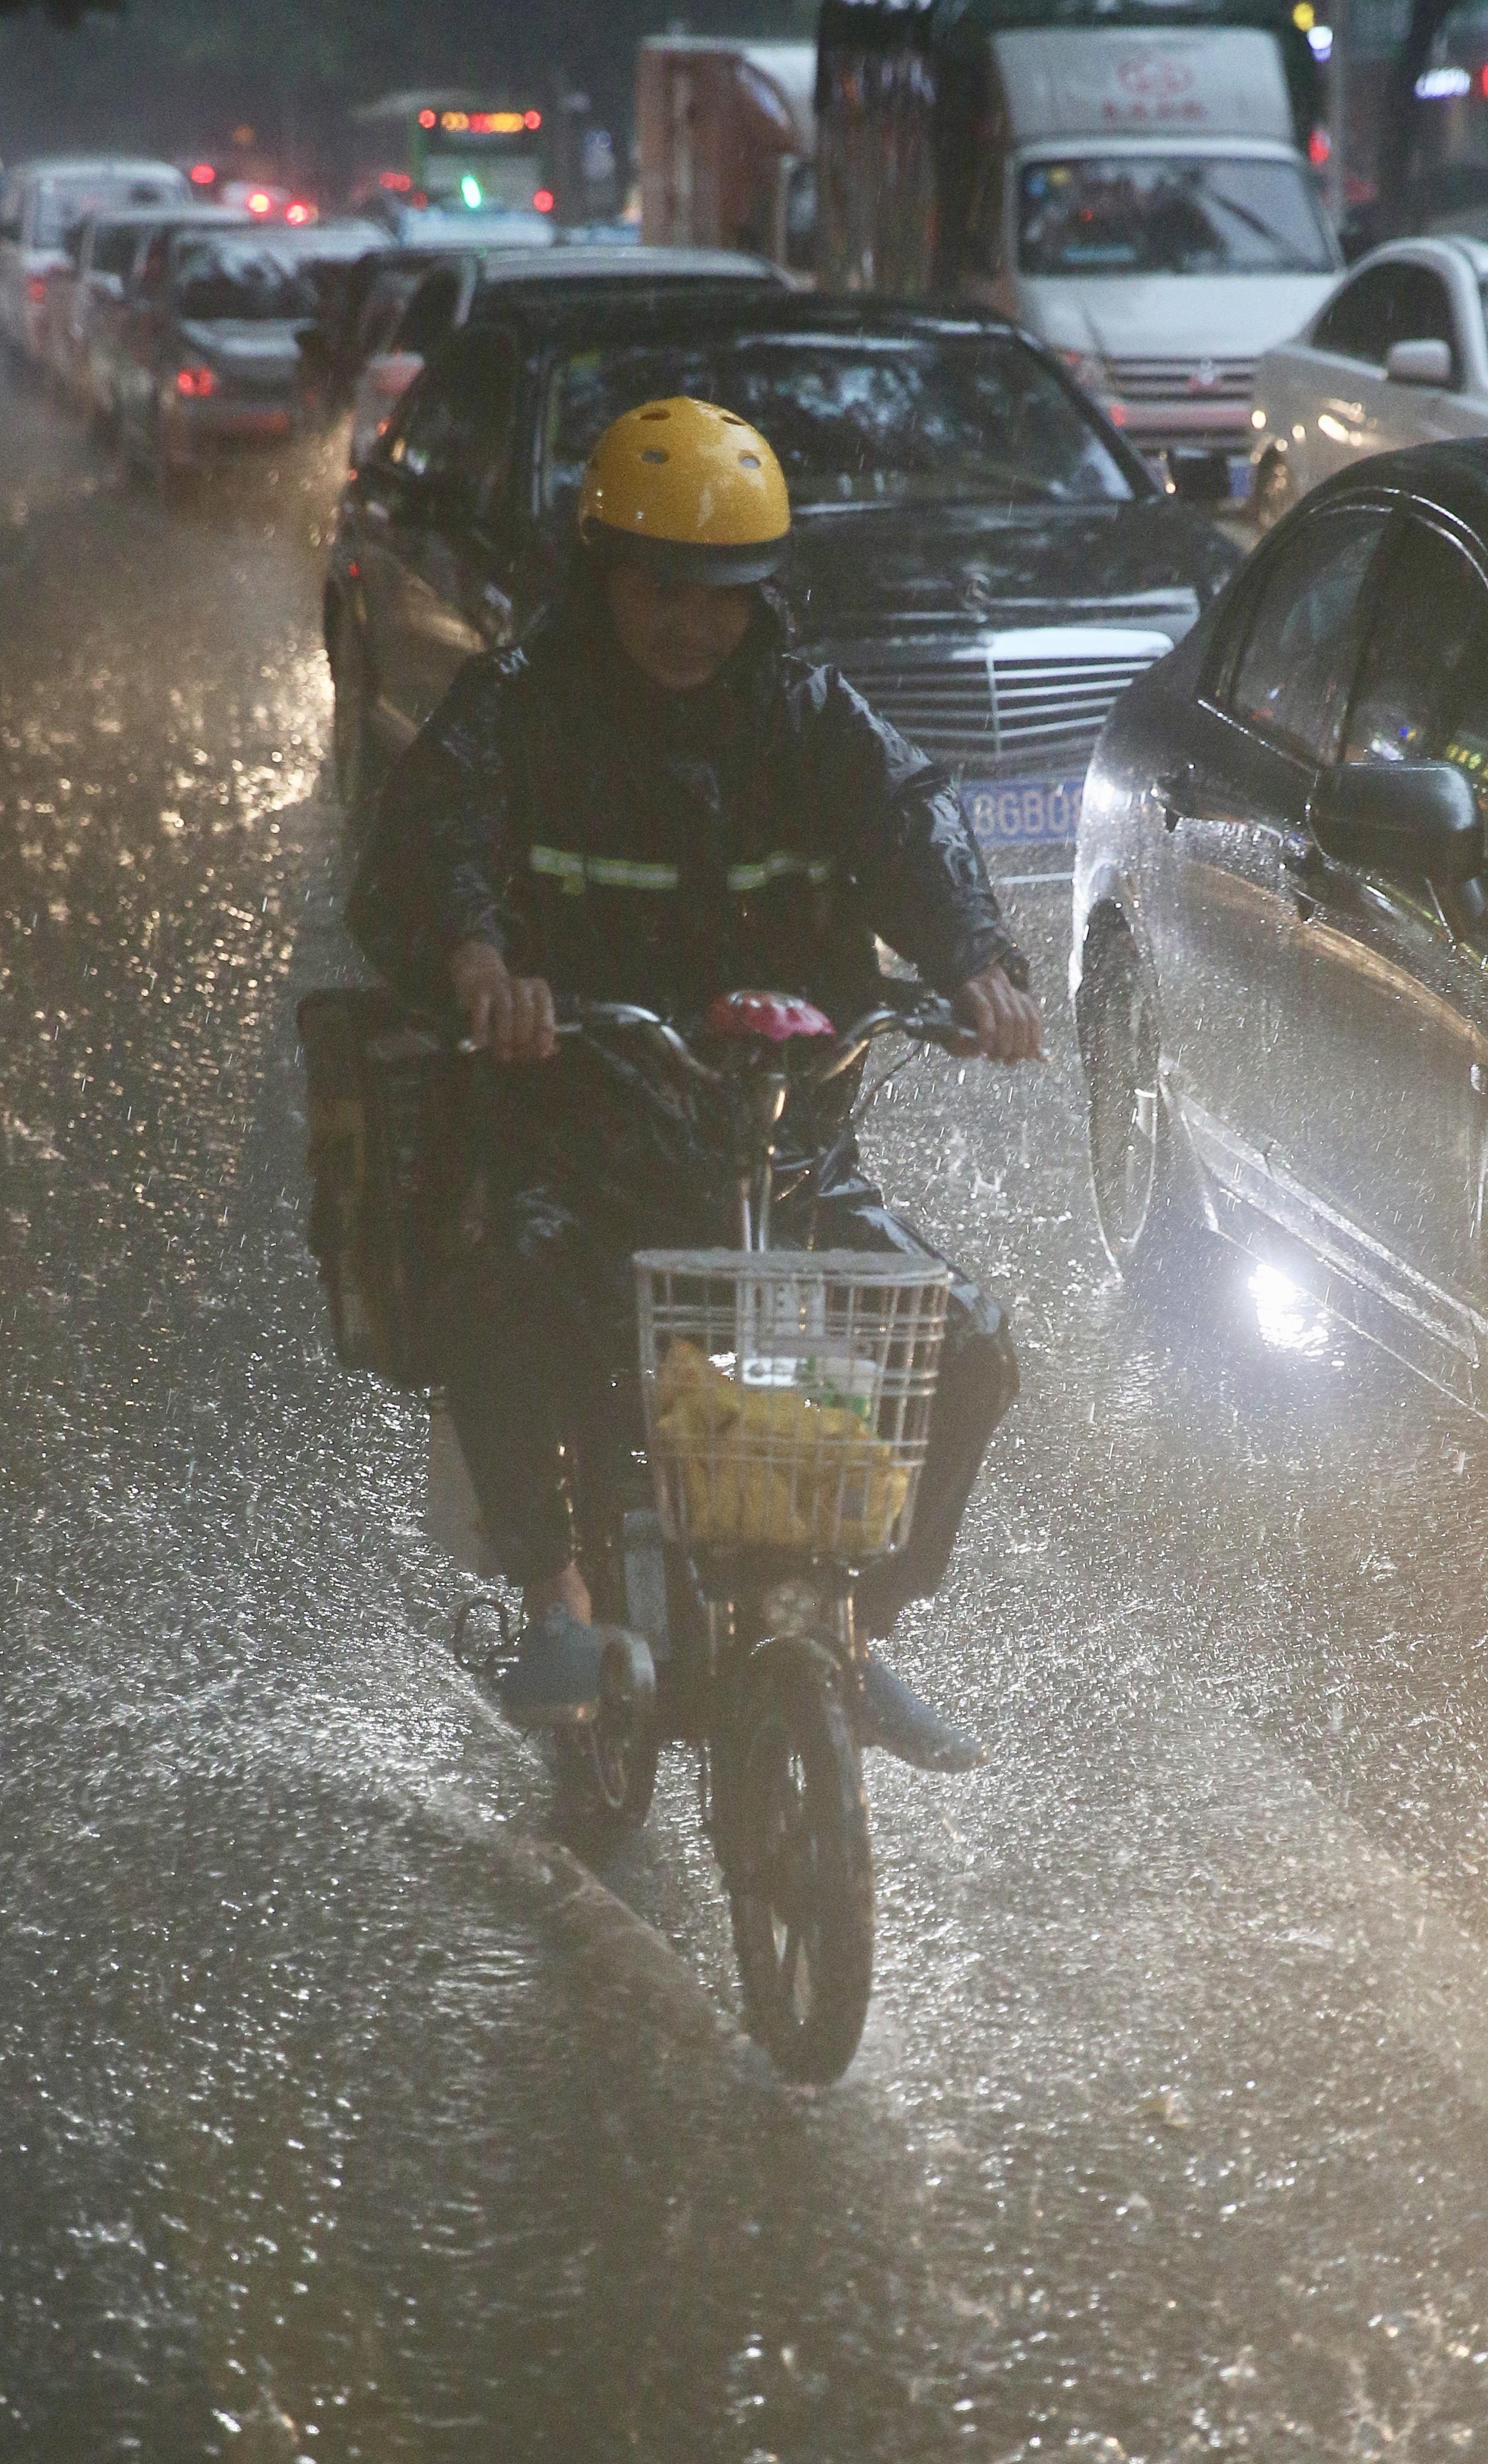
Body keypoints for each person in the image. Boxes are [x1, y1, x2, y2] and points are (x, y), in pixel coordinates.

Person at [347, 394, 1043, 1766]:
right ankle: (554, 1598)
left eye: (723, 595)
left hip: (781, 1146)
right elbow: (435, 847)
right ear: (601, 570)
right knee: (498, 1287)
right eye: (661, 588)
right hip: (577, 1136)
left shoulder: (806, 713)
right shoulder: (517, 708)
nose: (691, 623)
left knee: (963, 1340)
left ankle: (859, 1633)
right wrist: (482, 964)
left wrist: (975, 960)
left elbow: (910, 817)